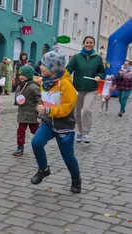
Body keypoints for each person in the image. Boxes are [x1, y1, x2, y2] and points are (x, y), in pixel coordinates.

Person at [31, 47, 81, 193]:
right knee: (36, 142)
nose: (40, 66)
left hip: (64, 125)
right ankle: (43, 169)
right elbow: (45, 101)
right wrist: (42, 115)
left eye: (43, 64)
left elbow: (66, 109)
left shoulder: (66, 86)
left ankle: (76, 179)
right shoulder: (45, 82)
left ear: (53, 68)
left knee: (67, 156)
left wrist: (47, 111)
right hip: (48, 122)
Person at [66, 36, 105, 143]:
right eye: (87, 42)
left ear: (93, 44)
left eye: (91, 43)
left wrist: (99, 77)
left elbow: (101, 71)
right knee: (77, 112)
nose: (89, 44)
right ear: (83, 44)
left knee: (86, 110)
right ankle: (79, 132)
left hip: (91, 88)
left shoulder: (97, 58)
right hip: (78, 88)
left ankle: (86, 133)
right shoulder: (76, 57)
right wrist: (66, 77)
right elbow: (68, 70)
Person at [13, 66, 41, 156]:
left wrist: (38, 108)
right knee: (20, 131)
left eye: (23, 75)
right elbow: (17, 98)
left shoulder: (33, 87)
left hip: (32, 114)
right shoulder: (20, 86)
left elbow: (40, 99)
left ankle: (40, 143)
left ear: (29, 75)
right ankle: (20, 147)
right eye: (20, 75)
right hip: (22, 113)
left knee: (35, 131)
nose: (21, 77)